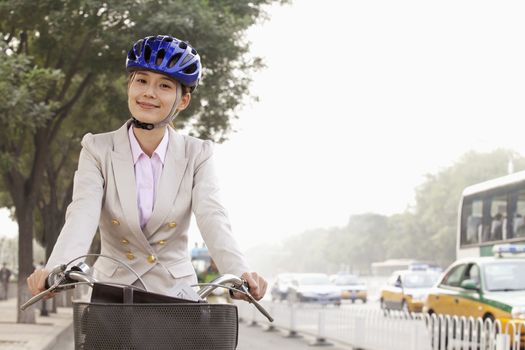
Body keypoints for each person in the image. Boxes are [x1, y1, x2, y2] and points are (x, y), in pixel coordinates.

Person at [27, 35, 267, 301]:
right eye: (141, 80)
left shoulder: (198, 153)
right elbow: (82, 213)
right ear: (129, 86)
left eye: (164, 85)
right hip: (113, 292)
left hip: (176, 294)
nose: (149, 93)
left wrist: (240, 273)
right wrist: (57, 270)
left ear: (183, 100)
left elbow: (213, 215)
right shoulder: (96, 148)